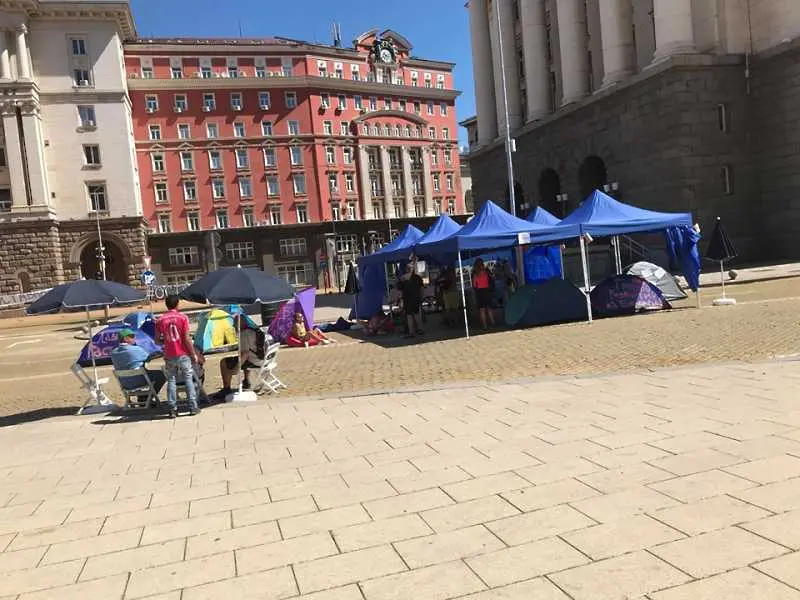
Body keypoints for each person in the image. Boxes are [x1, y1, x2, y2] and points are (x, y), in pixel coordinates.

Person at [155, 294, 204, 418]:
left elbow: (156, 340)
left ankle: (172, 409)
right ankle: (193, 406)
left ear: (166, 305)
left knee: (171, 380)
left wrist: (166, 342)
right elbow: (186, 338)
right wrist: (193, 354)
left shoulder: (160, 320)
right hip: (182, 353)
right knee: (188, 378)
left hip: (169, 353)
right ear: (177, 304)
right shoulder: (183, 318)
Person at [214, 314, 267, 398]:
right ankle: (246, 380)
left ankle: (226, 388)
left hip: (254, 361)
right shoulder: (254, 330)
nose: (233, 325)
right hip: (262, 358)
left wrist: (235, 370)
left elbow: (245, 353)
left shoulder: (243, 334)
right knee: (244, 357)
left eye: (235, 323)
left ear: (240, 324)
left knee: (224, 361)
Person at [111, 328, 166, 399]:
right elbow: (148, 358)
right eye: (132, 336)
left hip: (124, 382)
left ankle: (142, 397)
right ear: (125, 338)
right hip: (138, 381)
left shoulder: (114, 352)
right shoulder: (136, 349)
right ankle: (148, 397)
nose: (134, 338)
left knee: (141, 371)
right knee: (161, 375)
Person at [399, 262, 424, 338]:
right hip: (416, 298)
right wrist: (421, 297)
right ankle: (420, 329)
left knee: (409, 315)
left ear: (407, 269)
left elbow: (399, 289)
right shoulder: (418, 277)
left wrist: (400, 299)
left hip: (407, 299)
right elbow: (421, 289)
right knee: (416, 314)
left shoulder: (403, 278)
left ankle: (411, 332)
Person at [472, 258, 495, 330]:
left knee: (482, 310)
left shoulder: (475, 274)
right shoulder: (486, 271)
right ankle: (493, 323)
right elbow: (492, 278)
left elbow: (474, 285)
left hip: (479, 292)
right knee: (489, 309)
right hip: (487, 291)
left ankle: (485, 326)